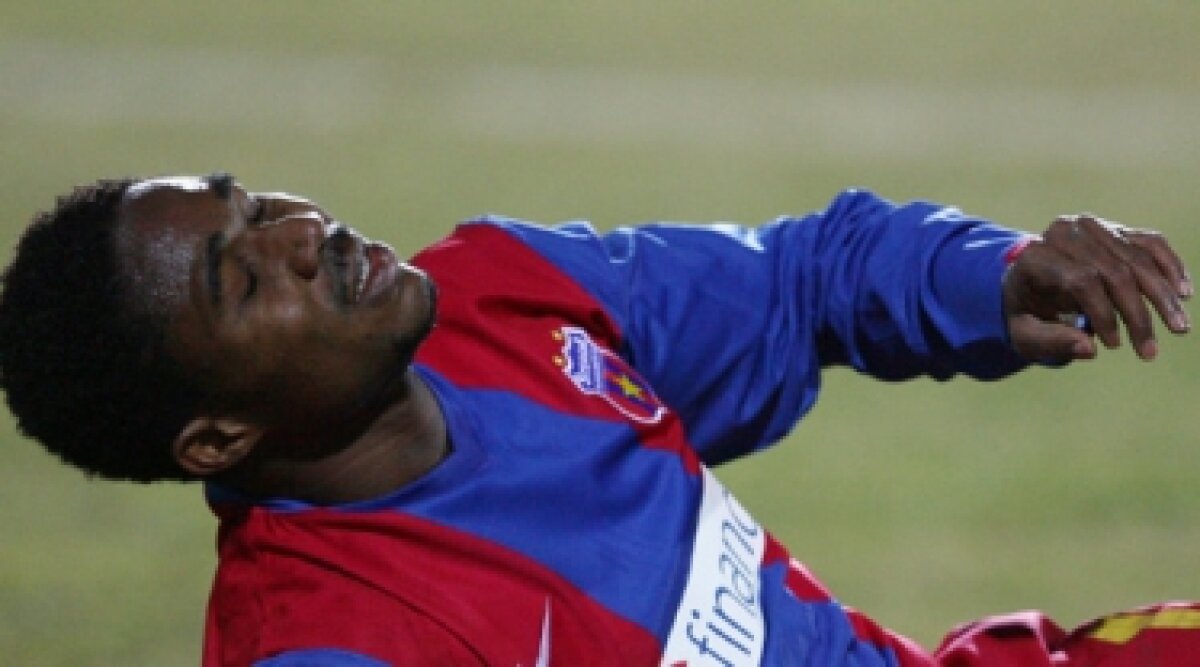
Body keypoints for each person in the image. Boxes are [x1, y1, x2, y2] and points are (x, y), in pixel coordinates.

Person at [0, 173, 1195, 666]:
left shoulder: (499, 292)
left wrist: (992, 277)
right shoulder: (332, 641)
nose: (304, 234)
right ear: (217, 440)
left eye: (254, 202)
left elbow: (799, 281)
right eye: (245, 276)